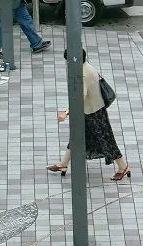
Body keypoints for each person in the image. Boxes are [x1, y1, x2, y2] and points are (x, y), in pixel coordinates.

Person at [47, 49, 131, 181]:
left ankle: (123, 167)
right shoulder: (88, 67)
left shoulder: (82, 75)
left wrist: (66, 112)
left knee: (106, 140)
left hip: (93, 112)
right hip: (93, 110)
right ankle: (63, 164)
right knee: (77, 137)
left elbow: (80, 97)